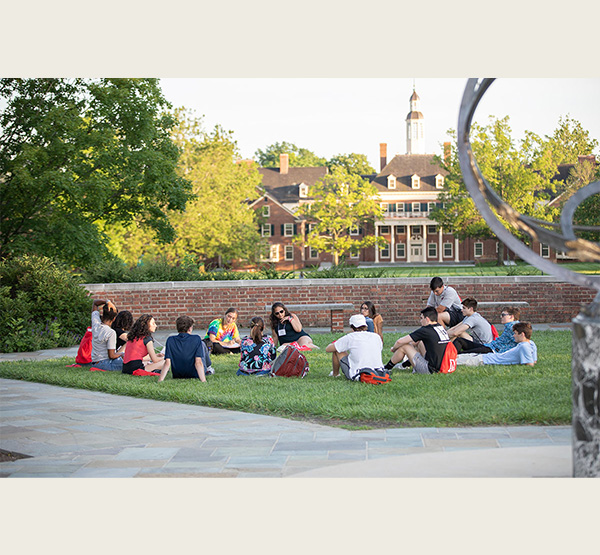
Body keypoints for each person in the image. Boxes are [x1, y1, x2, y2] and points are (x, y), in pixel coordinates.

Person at [384, 306, 452, 374]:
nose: (420, 321)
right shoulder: (440, 327)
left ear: (427, 319)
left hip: (431, 369)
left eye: (421, 318)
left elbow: (400, 341)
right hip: (444, 365)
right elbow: (415, 342)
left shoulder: (425, 330)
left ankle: (387, 367)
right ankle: (405, 364)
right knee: (420, 342)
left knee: (404, 346)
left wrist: (394, 349)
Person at [325, 314, 384, 380]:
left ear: (352, 326)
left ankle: (335, 374)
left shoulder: (350, 337)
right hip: (379, 372)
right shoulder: (376, 337)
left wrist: (335, 343)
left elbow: (328, 349)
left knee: (338, 349)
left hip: (358, 374)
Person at [456, 322, 537, 367]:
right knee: (458, 357)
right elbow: (534, 360)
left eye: (515, 334)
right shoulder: (531, 344)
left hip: (486, 360)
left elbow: (530, 364)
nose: (513, 336)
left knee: (456, 361)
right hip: (488, 356)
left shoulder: (524, 346)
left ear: (522, 334)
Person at [158, 315, 208, 382]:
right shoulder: (196, 338)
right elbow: (198, 362)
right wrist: (203, 380)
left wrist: (160, 380)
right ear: (190, 328)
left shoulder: (170, 340)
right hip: (194, 374)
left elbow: (167, 362)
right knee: (203, 344)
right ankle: (209, 367)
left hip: (177, 375)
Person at [454, 306, 521, 354]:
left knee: (463, 352)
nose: (501, 317)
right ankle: (449, 356)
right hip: (489, 346)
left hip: (492, 350)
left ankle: (449, 358)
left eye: (503, 315)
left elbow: (521, 342)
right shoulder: (511, 326)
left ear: (511, 316)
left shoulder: (513, 327)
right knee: (460, 341)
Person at [90, 299, 125, 371]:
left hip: (95, 363)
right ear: (114, 319)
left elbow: (95, 303)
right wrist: (122, 354)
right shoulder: (111, 332)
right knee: (131, 364)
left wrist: (107, 301)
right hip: (105, 363)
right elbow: (111, 355)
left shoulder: (95, 324)